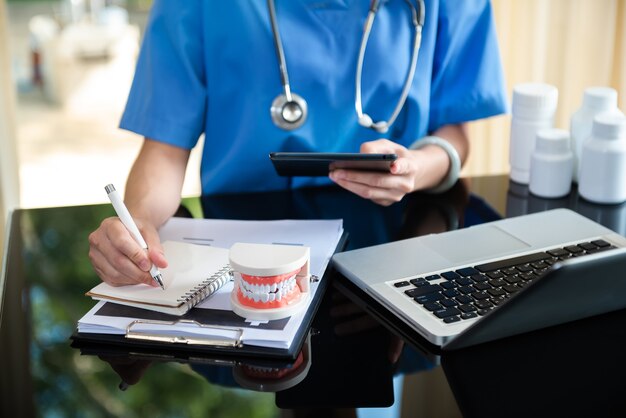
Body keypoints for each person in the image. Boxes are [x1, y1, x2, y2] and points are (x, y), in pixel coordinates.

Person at [89, 0, 508, 287]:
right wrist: (138, 225)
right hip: (240, 257)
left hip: (396, 246)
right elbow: (164, 148)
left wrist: (417, 168)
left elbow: (455, 134)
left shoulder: (415, 353)